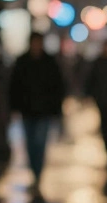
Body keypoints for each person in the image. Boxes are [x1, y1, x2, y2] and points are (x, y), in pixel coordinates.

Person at [8, 32, 66, 188]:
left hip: (44, 111)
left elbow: (58, 87)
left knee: (40, 142)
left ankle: (38, 171)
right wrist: (14, 107)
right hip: (27, 110)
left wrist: (56, 109)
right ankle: (34, 169)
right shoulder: (22, 62)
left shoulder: (49, 62)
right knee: (30, 143)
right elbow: (14, 87)